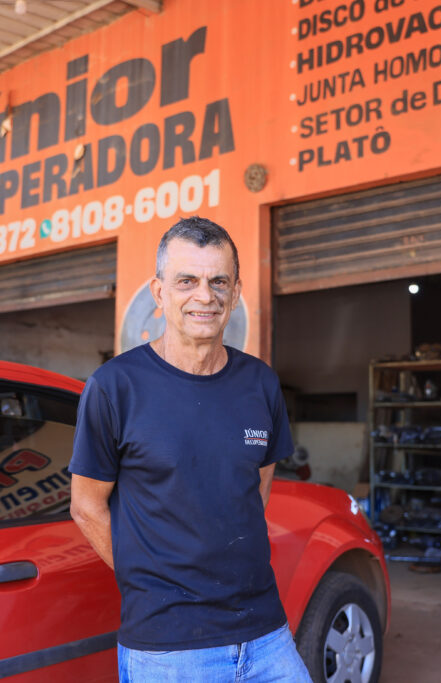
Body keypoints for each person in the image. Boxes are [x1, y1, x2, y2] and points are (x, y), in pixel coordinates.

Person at [69, 217, 313, 682]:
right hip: (169, 649)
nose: (205, 295)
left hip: (265, 633)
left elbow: (254, 492)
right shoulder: (115, 388)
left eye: (218, 281)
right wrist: (153, 584)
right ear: (159, 293)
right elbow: (86, 506)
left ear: (236, 292)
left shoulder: (260, 383)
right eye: (187, 281)